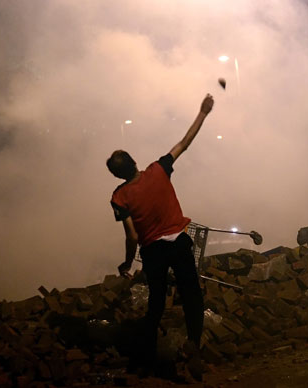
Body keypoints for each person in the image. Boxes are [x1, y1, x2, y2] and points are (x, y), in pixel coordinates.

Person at [106, 93, 214, 380]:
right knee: (191, 294)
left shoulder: (119, 196)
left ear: (116, 175)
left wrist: (128, 264)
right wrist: (203, 113)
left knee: (155, 304)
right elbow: (184, 143)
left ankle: (146, 360)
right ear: (134, 162)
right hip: (179, 242)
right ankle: (194, 343)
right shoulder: (158, 169)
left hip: (153, 251)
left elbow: (131, 235)